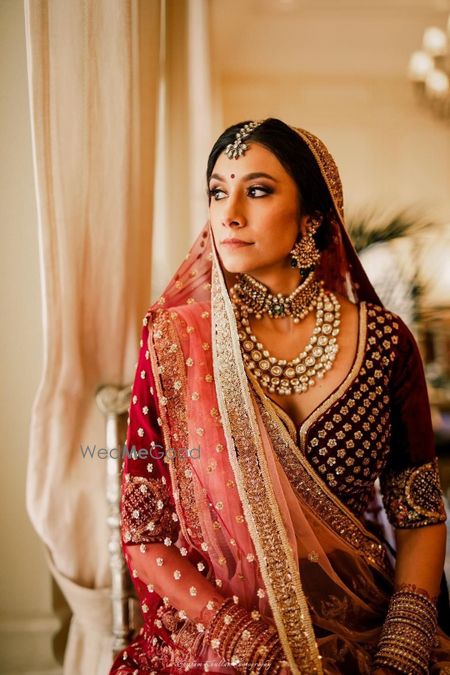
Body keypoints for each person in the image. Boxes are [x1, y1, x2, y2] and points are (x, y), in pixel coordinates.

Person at [110, 118, 450, 674]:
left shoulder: (384, 343)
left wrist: (405, 645)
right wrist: (254, 647)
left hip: (365, 624)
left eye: (258, 191)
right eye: (218, 191)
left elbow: (418, 513)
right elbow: (145, 533)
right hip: (221, 638)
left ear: (313, 216)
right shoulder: (177, 340)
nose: (229, 212)